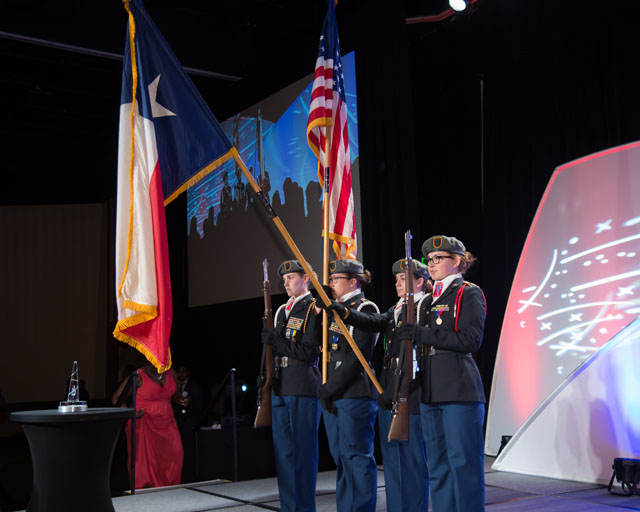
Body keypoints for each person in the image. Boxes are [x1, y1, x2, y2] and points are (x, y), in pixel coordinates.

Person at [326, 258, 431, 511]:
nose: (397, 283)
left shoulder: (424, 308)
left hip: (410, 390)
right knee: (394, 462)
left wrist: (396, 386)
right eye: (396, 279)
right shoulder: (396, 309)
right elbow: (374, 322)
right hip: (389, 389)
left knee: (413, 463)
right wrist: (346, 313)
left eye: (403, 278)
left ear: (419, 281)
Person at [396, 235, 487, 512]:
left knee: (463, 464)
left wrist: (424, 334)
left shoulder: (467, 292)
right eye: (429, 260)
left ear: (457, 261)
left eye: (439, 259)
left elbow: (470, 339)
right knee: (437, 464)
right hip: (429, 387)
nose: (432, 264)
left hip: (458, 387)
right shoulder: (426, 300)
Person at [316, 259, 379, 512]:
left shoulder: (366, 307)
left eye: (336, 279)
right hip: (333, 391)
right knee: (341, 458)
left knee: (357, 458)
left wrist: (330, 388)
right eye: (331, 280)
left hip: (354, 391)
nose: (331, 283)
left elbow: (357, 358)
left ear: (353, 281)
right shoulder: (333, 309)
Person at [260, 259, 321, 512]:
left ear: (305, 279)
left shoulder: (313, 308)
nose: (285, 283)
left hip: (302, 383)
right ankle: (289, 507)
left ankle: (304, 508)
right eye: (283, 280)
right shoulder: (282, 310)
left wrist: (277, 342)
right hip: (280, 385)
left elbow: (308, 352)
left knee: (303, 453)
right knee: (284, 454)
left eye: (291, 278)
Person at [112, 364, 184, 489]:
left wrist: (181, 400)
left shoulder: (171, 373)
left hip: (167, 424)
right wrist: (131, 413)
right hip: (143, 423)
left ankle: (169, 493)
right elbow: (116, 398)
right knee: (145, 465)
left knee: (176, 455)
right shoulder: (138, 375)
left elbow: (175, 394)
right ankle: (145, 499)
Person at [172, 365, 205, 483]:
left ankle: (190, 476)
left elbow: (199, 406)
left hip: (190, 424)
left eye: (183, 371)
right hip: (175, 424)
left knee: (189, 451)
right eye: (178, 372)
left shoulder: (195, 387)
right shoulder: (173, 386)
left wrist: (195, 422)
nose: (181, 374)